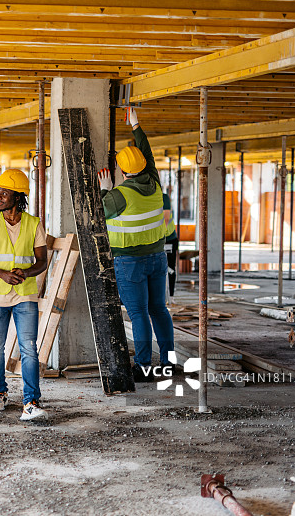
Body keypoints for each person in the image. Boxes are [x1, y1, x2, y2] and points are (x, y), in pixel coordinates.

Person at [97, 107, 175, 383]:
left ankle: (143, 366)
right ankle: (167, 363)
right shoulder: (154, 181)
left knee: (139, 313)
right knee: (159, 310)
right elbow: (148, 153)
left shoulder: (118, 196)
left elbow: (99, 212)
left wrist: (105, 187)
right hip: (157, 257)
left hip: (130, 262)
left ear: (121, 170)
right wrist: (135, 125)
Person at [0, 169, 49, 421]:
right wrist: (2, 274)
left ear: (18, 196)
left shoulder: (34, 224)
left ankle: (31, 401)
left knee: (29, 348)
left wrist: (25, 273)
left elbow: (42, 262)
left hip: (25, 294)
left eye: (4, 192)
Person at [163, 191, 178, 299]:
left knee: (170, 269)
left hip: (169, 239)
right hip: (158, 239)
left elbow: (166, 218)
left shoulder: (163, 197)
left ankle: (170, 296)